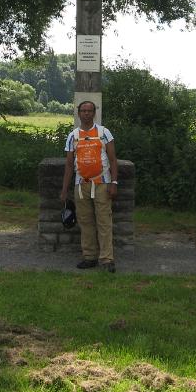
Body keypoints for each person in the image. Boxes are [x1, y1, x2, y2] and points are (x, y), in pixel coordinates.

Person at [60, 100, 118, 272]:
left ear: (94, 113)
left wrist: (114, 182)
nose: (86, 113)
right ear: (79, 113)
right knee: (85, 222)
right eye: (83, 111)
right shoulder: (73, 136)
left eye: (89, 111)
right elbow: (69, 165)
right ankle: (89, 256)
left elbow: (113, 160)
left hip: (102, 183)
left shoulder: (104, 132)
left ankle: (107, 259)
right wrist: (64, 189)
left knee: (104, 221)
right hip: (81, 185)